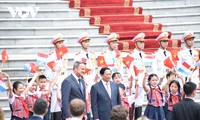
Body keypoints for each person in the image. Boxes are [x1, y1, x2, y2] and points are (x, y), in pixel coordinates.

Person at [74, 32, 97, 119]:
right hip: (84, 79)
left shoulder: (92, 55)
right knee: (85, 100)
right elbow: (77, 70)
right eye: (85, 41)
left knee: (92, 100)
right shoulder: (78, 56)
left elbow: (94, 68)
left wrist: (95, 78)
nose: (87, 43)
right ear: (81, 43)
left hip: (92, 79)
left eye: (88, 41)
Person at [45, 33, 68, 120]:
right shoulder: (51, 56)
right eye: (59, 43)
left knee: (63, 104)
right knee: (55, 106)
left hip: (63, 81)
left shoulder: (64, 54)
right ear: (55, 44)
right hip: (55, 83)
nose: (62, 44)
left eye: (62, 42)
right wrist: (53, 84)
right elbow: (49, 72)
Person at [129, 32, 146, 120]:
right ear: (136, 43)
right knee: (133, 101)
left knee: (140, 102)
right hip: (135, 80)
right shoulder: (132, 54)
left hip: (142, 79)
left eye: (143, 42)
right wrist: (135, 79)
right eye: (140, 42)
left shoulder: (143, 54)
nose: (142, 44)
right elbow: (130, 68)